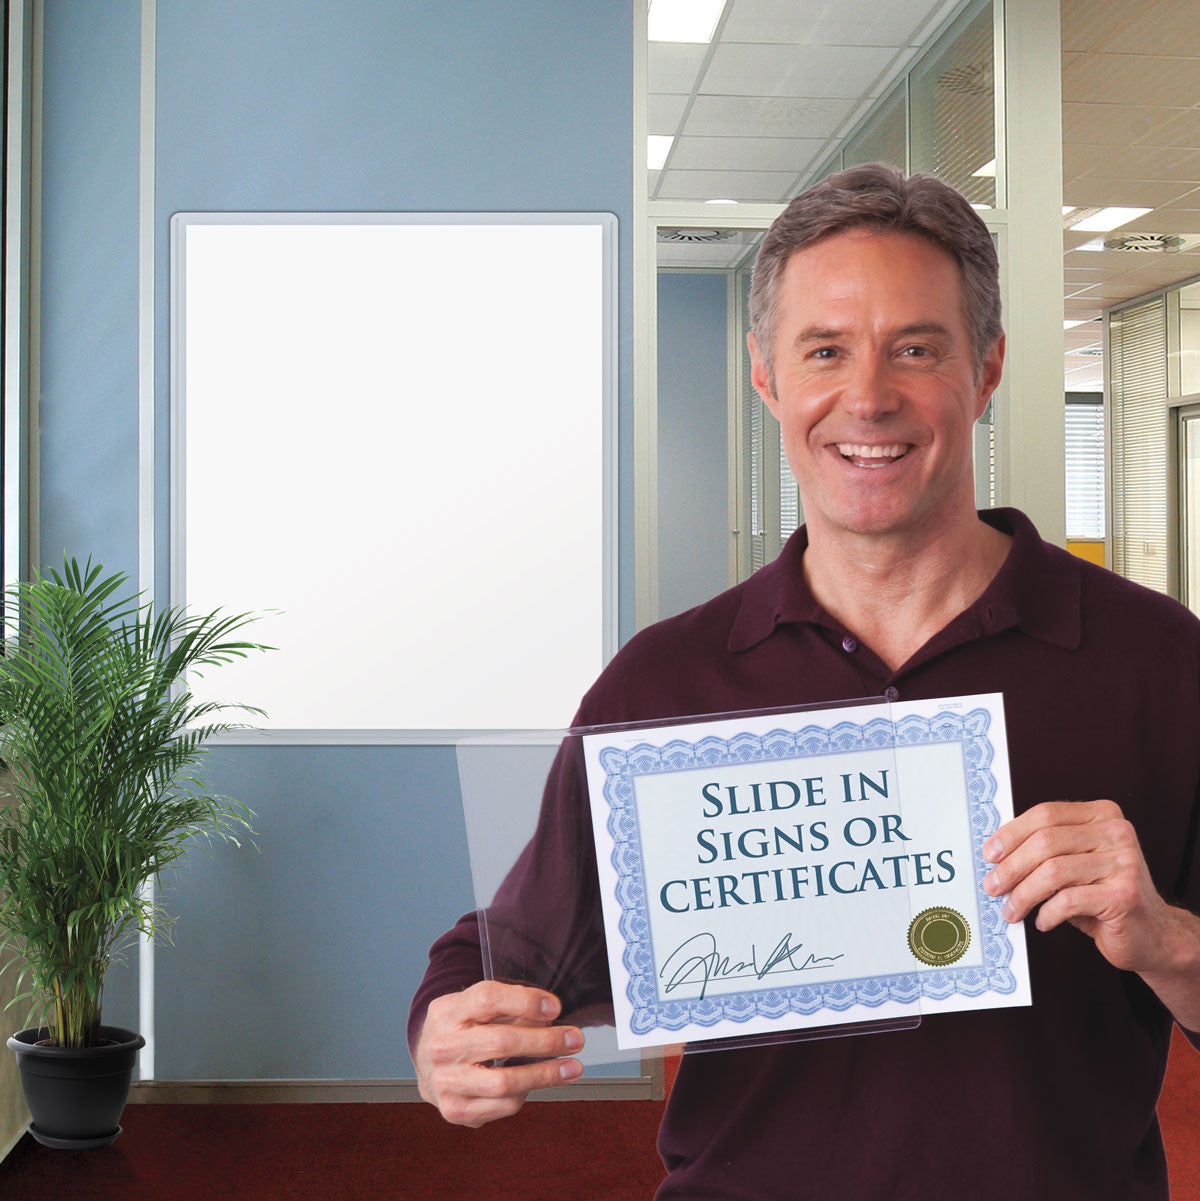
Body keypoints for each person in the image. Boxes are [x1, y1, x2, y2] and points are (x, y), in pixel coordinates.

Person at [408, 163, 1200, 1199]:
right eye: (826, 350)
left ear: (989, 368)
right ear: (766, 374)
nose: (868, 396)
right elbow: (510, 952)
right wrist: (447, 1028)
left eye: (917, 348)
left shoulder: (1160, 660)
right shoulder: (664, 678)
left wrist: (1165, 936)